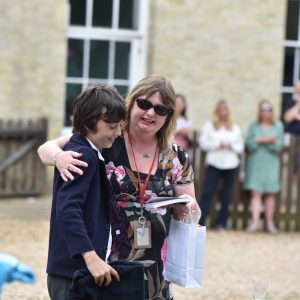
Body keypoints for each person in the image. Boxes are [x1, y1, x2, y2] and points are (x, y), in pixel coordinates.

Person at [38, 75, 201, 300]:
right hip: (105, 266)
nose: (150, 113)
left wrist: (190, 210)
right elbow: (46, 149)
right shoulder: (106, 139)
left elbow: (189, 213)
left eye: (160, 109)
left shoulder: (176, 156)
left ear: (169, 116)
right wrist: (59, 157)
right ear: (132, 102)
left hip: (155, 269)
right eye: (144, 104)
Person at [45, 84, 126, 299]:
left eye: (120, 126)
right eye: (112, 126)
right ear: (90, 121)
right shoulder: (84, 156)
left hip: (70, 271)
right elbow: (67, 210)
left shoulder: (83, 149)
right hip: (72, 273)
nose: (117, 133)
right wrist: (91, 257)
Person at [198, 100, 244, 230]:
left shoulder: (235, 127)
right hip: (214, 163)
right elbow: (203, 143)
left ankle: (221, 223)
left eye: (225, 110)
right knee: (207, 193)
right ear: (217, 112)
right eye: (221, 110)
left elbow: (240, 146)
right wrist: (218, 144)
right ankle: (201, 222)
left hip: (231, 164)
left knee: (227, 195)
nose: (223, 112)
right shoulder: (209, 126)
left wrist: (230, 145)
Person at [244, 100, 284, 233]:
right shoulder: (253, 126)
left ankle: (270, 224)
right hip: (256, 163)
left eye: (268, 108)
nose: (265, 111)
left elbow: (278, 146)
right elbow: (250, 144)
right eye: (263, 108)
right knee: (255, 193)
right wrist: (266, 140)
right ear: (259, 111)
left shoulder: (278, 126)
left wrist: (261, 140)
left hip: (271, 164)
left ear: (272, 111)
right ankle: (255, 223)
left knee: (270, 194)